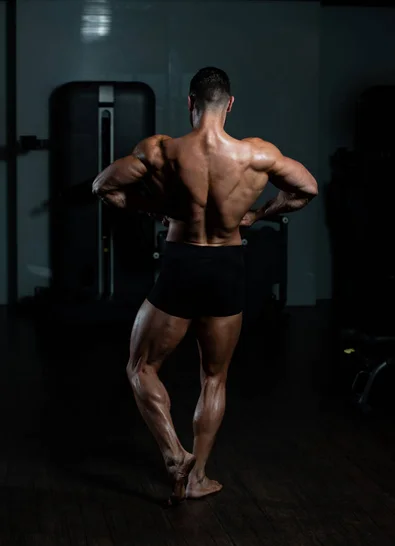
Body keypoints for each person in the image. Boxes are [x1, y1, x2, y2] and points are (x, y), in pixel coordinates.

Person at [92, 67, 318, 503]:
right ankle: (197, 479)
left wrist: (151, 208)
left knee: (140, 367)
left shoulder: (162, 152)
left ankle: (175, 454)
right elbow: (305, 189)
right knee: (214, 378)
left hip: (182, 262)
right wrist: (258, 214)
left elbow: (105, 187)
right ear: (229, 104)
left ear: (190, 103)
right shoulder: (257, 155)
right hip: (228, 265)